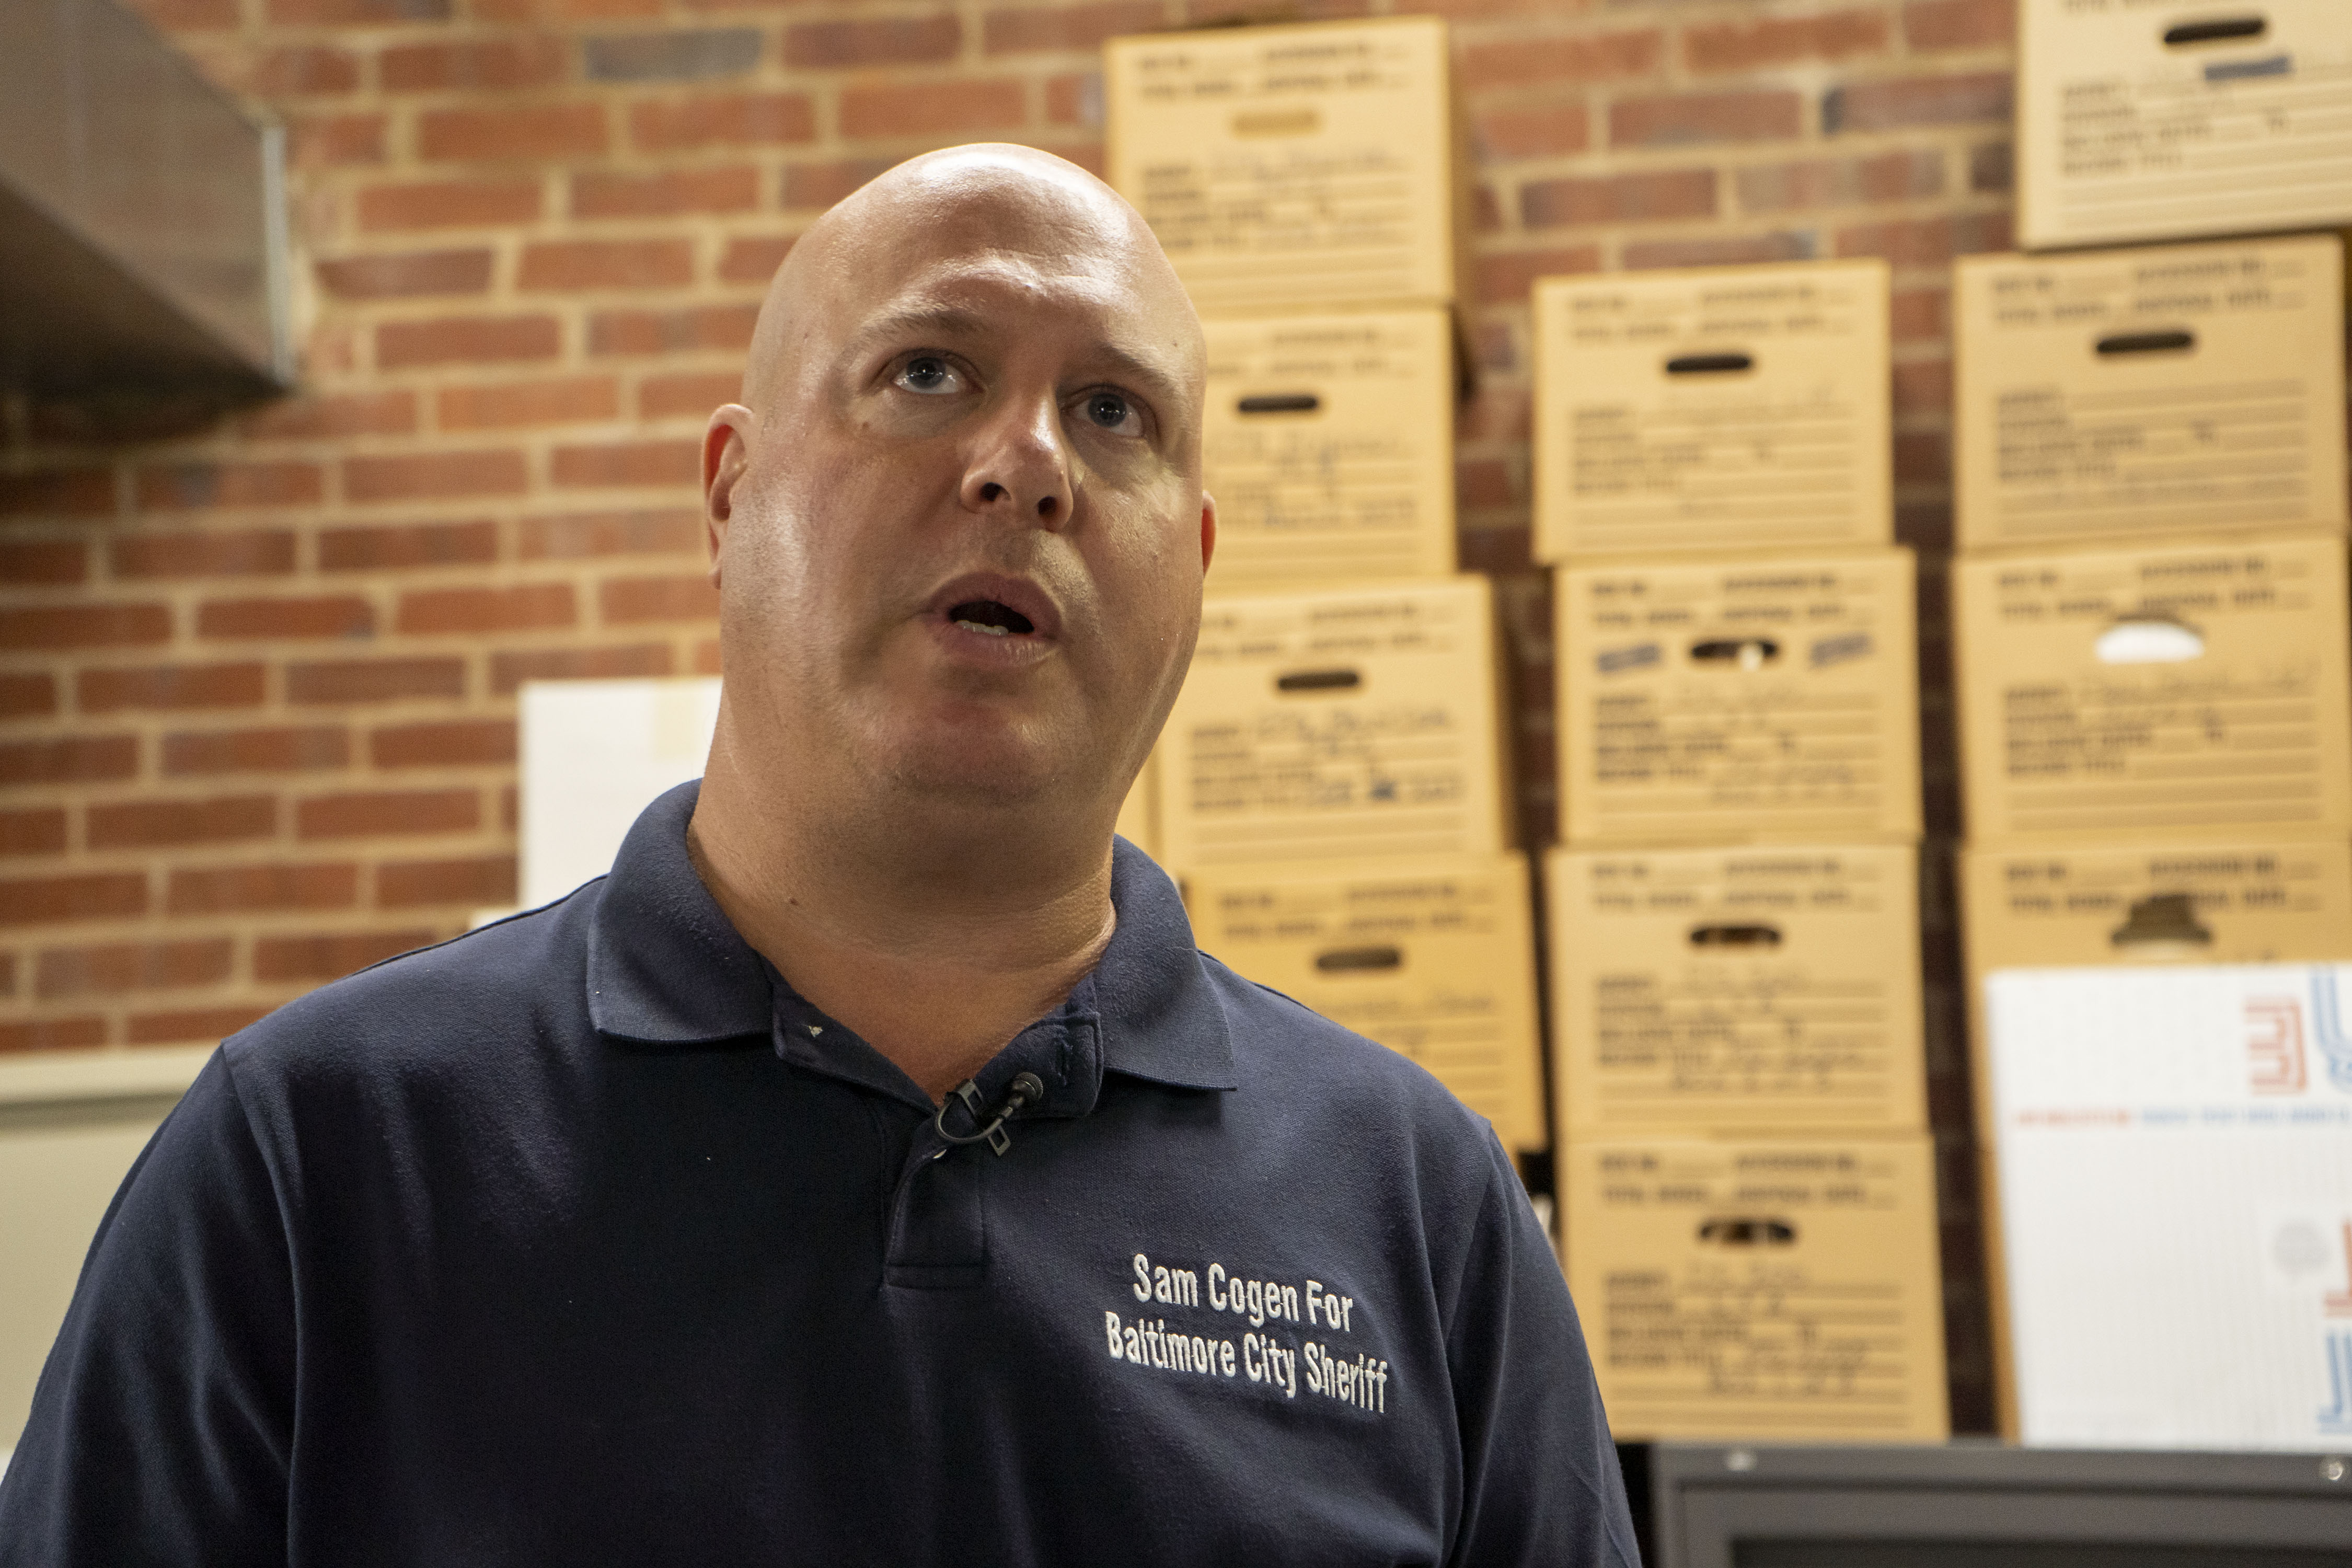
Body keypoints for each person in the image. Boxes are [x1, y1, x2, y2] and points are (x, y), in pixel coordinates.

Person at [0, 145, 1638, 1565]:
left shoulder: (1415, 1204)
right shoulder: (321, 1154)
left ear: (1193, 567)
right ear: (729, 498)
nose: (1025, 462)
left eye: (1113, 411)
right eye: (928, 372)